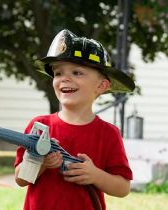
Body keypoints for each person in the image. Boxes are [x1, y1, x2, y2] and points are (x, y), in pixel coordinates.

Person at [14, 29, 134, 210]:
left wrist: (95, 176)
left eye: (77, 72)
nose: (65, 79)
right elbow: (20, 179)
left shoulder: (108, 133)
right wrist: (41, 163)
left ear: (101, 85)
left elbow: (123, 188)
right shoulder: (40, 126)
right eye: (59, 73)